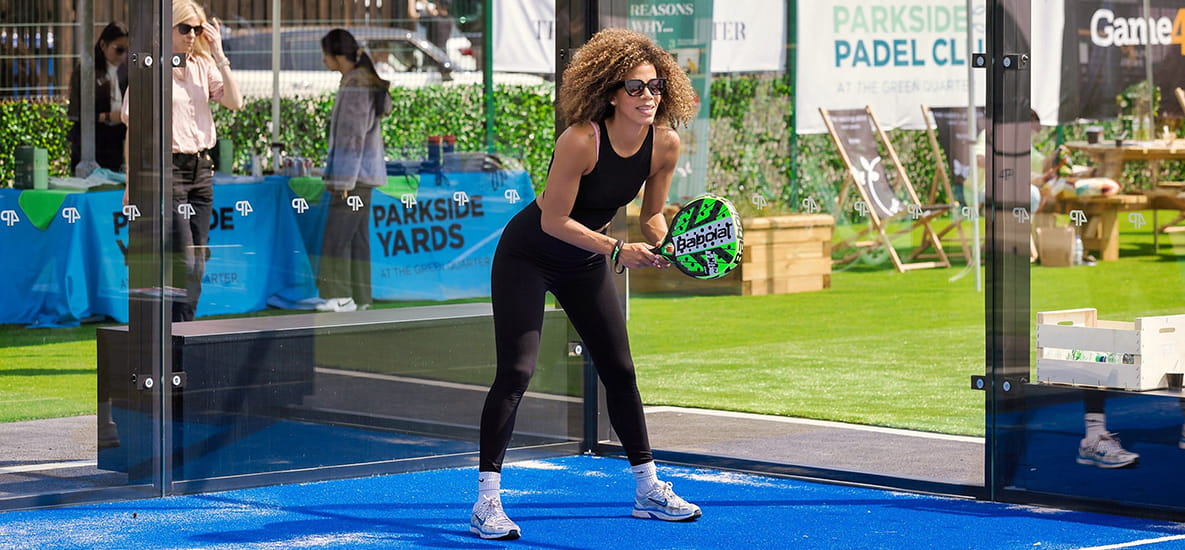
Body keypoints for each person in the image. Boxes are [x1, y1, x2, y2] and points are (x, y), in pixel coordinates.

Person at [470, 28, 700, 541]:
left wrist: (671, 246)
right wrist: (617, 250)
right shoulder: (580, 139)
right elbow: (553, 220)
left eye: (657, 86)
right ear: (610, 92)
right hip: (528, 255)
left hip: (584, 259)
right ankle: (486, 502)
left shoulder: (665, 143)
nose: (649, 96)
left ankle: (647, 490)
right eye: (637, 87)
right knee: (517, 371)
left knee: (620, 370)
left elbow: (654, 216)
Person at [124, 0, 243, 321]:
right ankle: (171, 339)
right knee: (185, 259)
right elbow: (133, 130)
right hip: (167, 169)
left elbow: (235, 102)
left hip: (201, 169)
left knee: (197, 260)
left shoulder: (203, 66)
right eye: (185, 28)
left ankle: (181, 337)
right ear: (167, 29)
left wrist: (218, 53)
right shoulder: (150, 68)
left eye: (197, 29)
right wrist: (130, 184)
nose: (192, 35)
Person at [314, 29, 392, 313]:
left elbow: (352, 137)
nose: (323, 60)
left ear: (337, 56)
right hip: (362, 177)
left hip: (353, 178)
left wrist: (343, 180)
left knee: (336, 238)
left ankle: (339, 295)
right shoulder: (359, 80)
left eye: (325, 54)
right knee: (358, 239)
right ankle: (361, 298)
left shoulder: (356, 84)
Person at [67, 21, 129, 175]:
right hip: (92, 140)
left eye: (127, 50)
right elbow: (76, 112)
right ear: (103, 45)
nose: (123, 56)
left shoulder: (126, 70)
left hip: (117, 139)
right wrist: (108, 117)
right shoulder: (87, 70)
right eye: (119, 50)